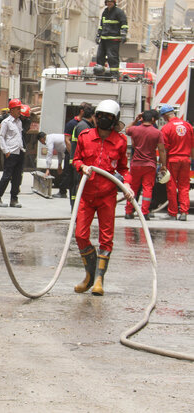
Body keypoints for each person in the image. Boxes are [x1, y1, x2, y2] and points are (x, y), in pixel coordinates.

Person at [72, 100, 134, 296]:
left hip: (107, 195)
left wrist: (127, 184)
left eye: (107, 117)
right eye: (100, 116)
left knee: (106, 239)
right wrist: (81, 167)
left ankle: (99, 279)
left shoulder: (120, 141)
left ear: (114, 119)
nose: (102, 120)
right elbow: (76, 159)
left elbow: (124, 168)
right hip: (86, 194)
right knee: (80, 235)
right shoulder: (85, 136)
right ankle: (89, 275)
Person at [124, 110, 167, 220]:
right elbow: (162, 150)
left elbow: (126, 129)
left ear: (142, 119)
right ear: (153, 120)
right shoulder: (157, 133)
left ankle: (129, 212)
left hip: (136, 164)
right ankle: (144, 212)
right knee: (147, 188)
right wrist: (163, 165)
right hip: (150, 165)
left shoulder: (135, 129)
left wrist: (135, 120)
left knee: (133, 188)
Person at [159, 104, 194, 221]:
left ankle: (172, 213)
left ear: (164, 116)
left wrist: (163, 165)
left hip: (173, 160)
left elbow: (164, 149)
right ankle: (184, 213)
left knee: (172, 186)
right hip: (186, 160)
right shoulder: (188, 126)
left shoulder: (166, 128)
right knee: (184, 186)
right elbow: (192, 146)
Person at [0, 99, 25, 208]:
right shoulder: (6, 122)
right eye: (18, 109)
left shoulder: (19, 122)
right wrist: (5, 150)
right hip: (10, 152)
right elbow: (1, 137)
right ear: (11, 110)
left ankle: (14, 199)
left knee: (17, 177)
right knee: (7, 176)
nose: (19, 111)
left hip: (19, 151)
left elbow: (19, 136)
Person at [70, 105, 95, 207]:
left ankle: (76, 207)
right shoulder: (84, 127)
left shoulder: (83, 125)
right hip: (80, 161)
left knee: (78, 185)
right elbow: (86, 146)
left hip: (79, 160)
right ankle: (76, 207)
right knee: (78, 185)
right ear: (92, 116)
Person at [95, 0, 128, 79]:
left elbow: (124, 24)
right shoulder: (105, 12)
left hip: (113, 39)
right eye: (108, 2)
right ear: (106, 3)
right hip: (104, 39)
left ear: (114, 3)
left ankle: (114, 74)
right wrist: (98, 35)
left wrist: (123, 34)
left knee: (112, 57)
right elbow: (101, 25)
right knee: (99, 56)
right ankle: (99, 74)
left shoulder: (119, 12)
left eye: (111, 2)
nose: (109, 3)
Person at [37, 132, 67, 198]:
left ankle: (63, 192)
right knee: (66, 172)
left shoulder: (49, 140)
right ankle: (63, 192)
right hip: (67, 151)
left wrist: (47, 169)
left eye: (40, 141)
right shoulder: (52, 138)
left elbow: (49, 154)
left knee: (66, 173)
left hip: (69, 151)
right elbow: (59, 151)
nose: (42, 143)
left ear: (42, 139)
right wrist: (59, 164)